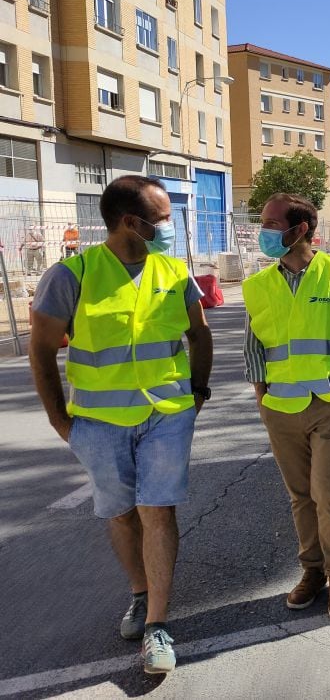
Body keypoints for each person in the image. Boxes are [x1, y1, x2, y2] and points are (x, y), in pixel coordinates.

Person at [28, 176, 212, 674]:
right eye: (165, 217)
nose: (172, 226)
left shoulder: (174, 272)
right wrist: (60, 420)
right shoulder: (72, 275)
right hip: (99, 422)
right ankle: (139, 592)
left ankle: (156, 625)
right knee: (121, 514)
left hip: (165, 417)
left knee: (158, 513)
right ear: (132, 222)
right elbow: (41, 350)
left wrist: (196, 393)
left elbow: (199, 333)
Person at [242, 193, 330, 622]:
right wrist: (262, 400)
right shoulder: (257, 285)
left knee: (327, 494)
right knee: (300, 496)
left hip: (328, 405)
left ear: (300, 230)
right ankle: (312, 571)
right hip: (279, 409)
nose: (261, 230)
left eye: (270, 223)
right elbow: (253, 349)